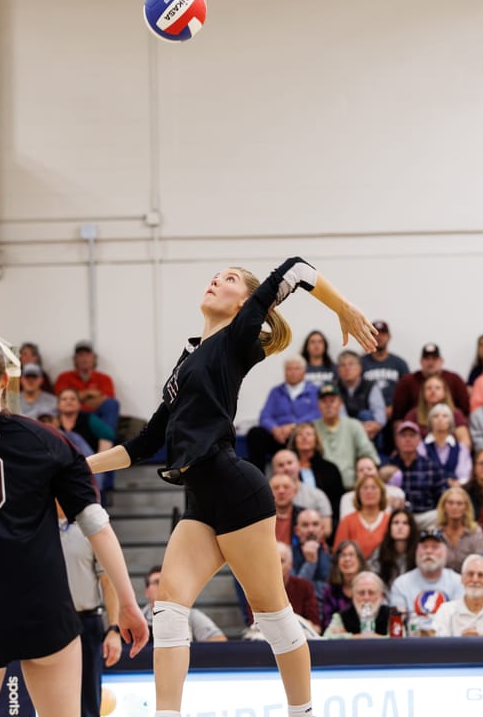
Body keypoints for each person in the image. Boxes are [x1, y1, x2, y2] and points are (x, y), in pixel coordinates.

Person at [86, 257, 375, 717]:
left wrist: (342, 308)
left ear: (244, 302)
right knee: (168, 610)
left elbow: (297, 270)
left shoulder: (239, 335)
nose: (217, 279)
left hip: (237, 491)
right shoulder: (187, 360)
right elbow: (143, 444)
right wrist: (79, 467)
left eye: (231, 278)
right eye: (216, 275)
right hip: (200, 500)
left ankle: (303, 713)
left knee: (275, 622)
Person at [0, 331, 147, 716]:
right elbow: (97, 525)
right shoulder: (48, 441)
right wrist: (129, 604)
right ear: (6, 380)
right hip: (47, 614)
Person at [55, 502, 126, 717]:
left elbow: (108, 581)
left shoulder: (90, 526)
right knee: (51, 697)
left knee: (88, 701)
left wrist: (114, 628)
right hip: (50, 622)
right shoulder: (36, 527)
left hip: (86, 622)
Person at [247, 356, 320, 471]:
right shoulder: (276, 391)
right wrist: (274, 429)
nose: (292, 372)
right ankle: (257, 477)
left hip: (299, 434)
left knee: (305, 435)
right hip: (278, 435)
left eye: (296, 369)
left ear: (304, 372)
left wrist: (293, 427)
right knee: (255, 433)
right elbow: (265, 416)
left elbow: (317, 414)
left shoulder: (314, 391)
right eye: (289, 369)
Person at [388, 529, 463, 634]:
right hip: (412, 643)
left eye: (434, 547)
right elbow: (397, 623)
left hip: (447, 643)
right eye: (424, 547)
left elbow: (460, 621)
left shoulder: (458, 582)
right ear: (416, 551)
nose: (428, 551)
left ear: (446, 552)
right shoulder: (401, 584)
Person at [312, 383, 379, 490]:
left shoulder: (354, 425)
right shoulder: (313, 428)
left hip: (350, 486)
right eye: (324, 401)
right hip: (321, 487)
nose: (328, 405)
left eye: (332, 401)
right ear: (318, 405)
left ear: (340, 403)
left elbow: (368, 453)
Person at [386, 421, 448, 529]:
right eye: (403, 436)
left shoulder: (431, 466)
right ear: (396, 440)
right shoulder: (388, 466)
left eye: (412, 436)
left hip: (424, 516)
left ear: (419, 440)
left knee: (441, 515)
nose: (408, 439)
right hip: (396, 516)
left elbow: (443, 496)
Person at [391, 344, 470, 425]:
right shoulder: (407, 381)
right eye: (427, 359)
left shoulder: (454, 379)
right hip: (417, 427)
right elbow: (398, 418)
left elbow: (465, 413)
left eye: (434, 359)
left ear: (441, 361)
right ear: (421, 361)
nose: (430, 362)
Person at [142, 566, 226, 642]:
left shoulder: (191, 615)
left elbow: (220, 640)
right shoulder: (139, 618)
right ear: (147, 592)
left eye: (166, 583)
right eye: (156, 582)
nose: (162, 586)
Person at [54, 340, 121, 432]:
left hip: (98, 416)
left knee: (112, 404)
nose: (84, 358)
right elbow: (61, 400)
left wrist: (77, 398)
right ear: (75, 359)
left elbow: (107, 401)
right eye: (81, 355)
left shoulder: (105, 378)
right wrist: (89, 393)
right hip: (74, 416)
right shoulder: (64, 377)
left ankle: (107, 439)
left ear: (94, 358)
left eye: (87, 355)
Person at [286, 421, 345, 522]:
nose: (304, 437)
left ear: (316, 440)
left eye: (308, 434)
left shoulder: (330, 469)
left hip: (324, 519)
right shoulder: (287, 468)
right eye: (300, 435)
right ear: (294, 441)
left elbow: (337, 500)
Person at [359, 320, 409, 426]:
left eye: (382, 333)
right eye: (374, 334)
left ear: (389, 336)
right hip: (369, 412)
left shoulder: (399, 363)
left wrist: (393, 407)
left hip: (395, 412)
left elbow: (406, 391)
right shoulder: (361, 363)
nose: (379, 337)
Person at [402, 375, 471, 448]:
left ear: (445, 392)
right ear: (423, 393)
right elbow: (405, 439)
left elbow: (465, 441)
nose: (433, 391)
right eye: (428, 388)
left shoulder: (455, 413)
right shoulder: (413, 414)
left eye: (437, 388)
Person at [271, 450, 333, 531]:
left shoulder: (317, 495)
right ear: (273, 470)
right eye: (281, 465)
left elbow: (327, 530)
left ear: (299, 465)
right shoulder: (266, 497)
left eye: (290, 463)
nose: (286, 468)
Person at [332, 475, 389, 560]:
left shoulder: (390, 520)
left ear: (381, 492)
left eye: (374, 488)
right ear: (358, 494)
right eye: (365, 488)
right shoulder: (347, 521)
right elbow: (338, 553)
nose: (369, 491)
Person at [322, 571, 392, 639]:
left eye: (371, 593)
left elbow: (400, 638)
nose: (366, 598)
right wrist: (355, 637)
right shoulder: (341, 616)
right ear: (353, 596)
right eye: (361, 593)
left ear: (381, 596)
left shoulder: (392, 615)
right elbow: (326, 638)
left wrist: (345, 636)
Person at [334, 350, 385, 442]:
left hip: (369, 431)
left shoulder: (370, 386)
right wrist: (357, 428)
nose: (347, 368)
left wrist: (376, 425)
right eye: (343, 365)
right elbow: (341, 416)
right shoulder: (334, 388)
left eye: (351, 364)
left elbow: (379, 411)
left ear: (360, 368)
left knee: (365, 415)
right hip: (345, 431)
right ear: (338, 370)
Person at [338, 455, 405, 520]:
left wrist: (398, 509)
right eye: (361, 470)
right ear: (356, 475)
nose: (365, 472)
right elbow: (345, 522)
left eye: (369, 469)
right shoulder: (347, 498)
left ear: (377, 472)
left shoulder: (395, 493)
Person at [276, 542, 321, 635]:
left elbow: (316, 627)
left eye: (281, 561)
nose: (276, 566)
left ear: (290, 565)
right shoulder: (258, 590)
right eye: (272, 561)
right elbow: (254, 625)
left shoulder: (304, 586)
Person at [320, 540, 365, 630]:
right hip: (338, 641)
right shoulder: (330, 591)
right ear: (337, 562)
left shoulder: (369, 587)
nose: (347, 559)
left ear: (359, 560)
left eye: (351, 555)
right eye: (343, 555)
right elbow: (327, 624)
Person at [436, 487, 483, 572]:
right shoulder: (434, 532)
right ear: (443, 507)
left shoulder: (475, 532)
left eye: (459, 504)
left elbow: (478, 562)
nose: (454, 507)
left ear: (466, 508)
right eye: (450, 503)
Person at [423, 403, 472, 485]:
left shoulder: (461, 448)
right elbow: (421, 474)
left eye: (445, 416)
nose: (440, 419)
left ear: (451, 422)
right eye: (436, 416)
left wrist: (457, 483)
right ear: (430, 421)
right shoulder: (421, 447)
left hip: (455, 490)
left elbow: (464, 475)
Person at [291, 509, 331, 606]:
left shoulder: (331, 557)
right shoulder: (288, 557)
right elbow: (295, 593)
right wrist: (310, 563)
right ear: (297, 530)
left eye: (315, 524)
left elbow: (331, 593)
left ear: (322, 529)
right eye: (305, 525)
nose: (311, 530)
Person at [369, 509, 418, 588]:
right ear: (390, 527)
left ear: (411, 528)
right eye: (396, 523)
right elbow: (372, 578)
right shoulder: (380, 551)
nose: (400, 527)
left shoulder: (419, 552)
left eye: (405, 523)